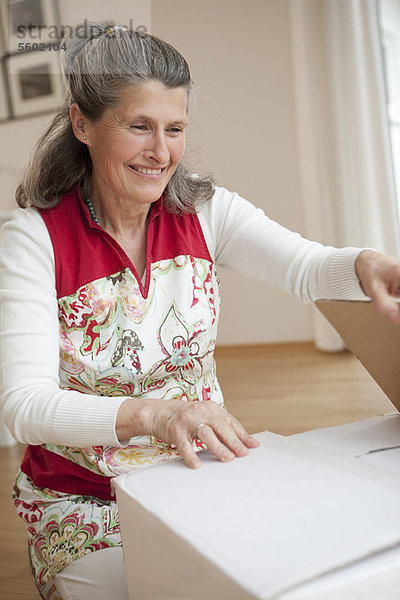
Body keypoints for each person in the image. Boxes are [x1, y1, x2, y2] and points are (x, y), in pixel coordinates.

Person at [1, 19, 400, 600]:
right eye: (139, 126)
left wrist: (367, 264)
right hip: (84, 497)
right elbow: (23, 406)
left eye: (175, 128)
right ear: (81, 123)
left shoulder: (206, 211)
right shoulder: (33, 238)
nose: (160, 153)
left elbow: (306, 266)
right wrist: (154, 415)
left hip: (200, 471)